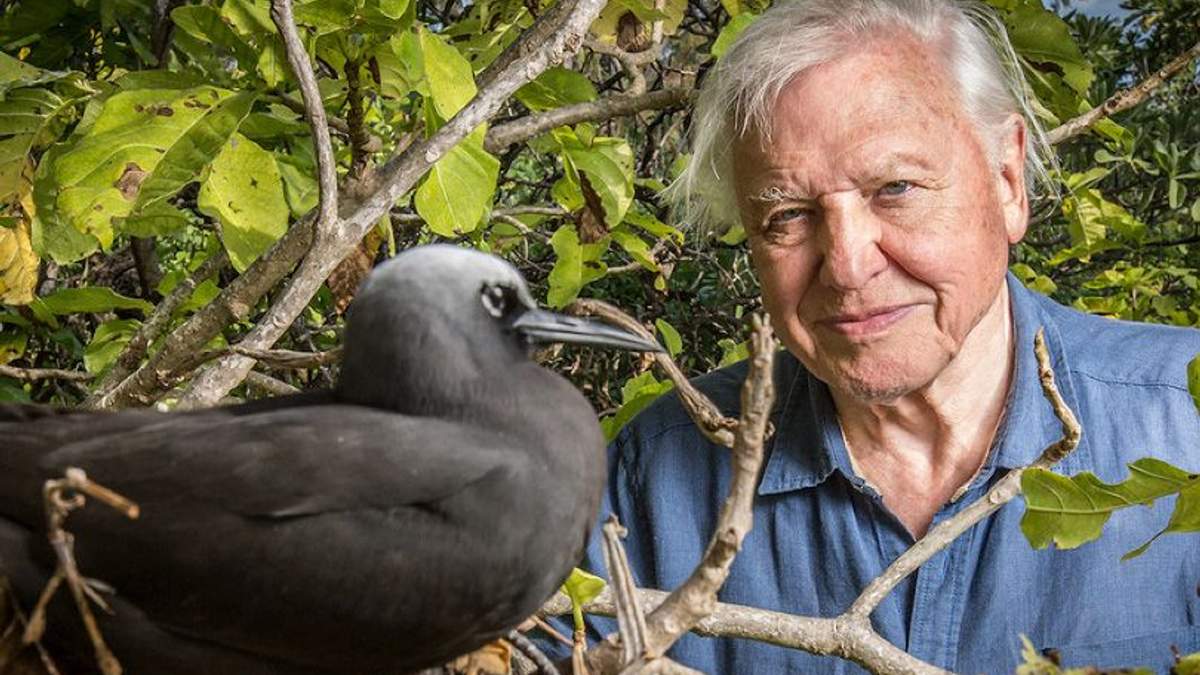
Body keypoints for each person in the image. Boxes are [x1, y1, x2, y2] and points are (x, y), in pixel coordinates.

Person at [541, 0, 1200, 672]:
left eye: (896, 187)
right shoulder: (646, 482)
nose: (849, 265)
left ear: (1007, 181)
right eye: (788, 216)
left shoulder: (1186, 422)